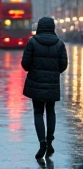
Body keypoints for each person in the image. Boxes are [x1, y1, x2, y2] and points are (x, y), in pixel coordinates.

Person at [21, 17, 68, 159]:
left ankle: (42, 143)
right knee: (51, 111)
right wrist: (53, 72)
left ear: (40, 27)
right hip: (52, 83)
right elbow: (63, 65)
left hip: (36, 82)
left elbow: (25, 64)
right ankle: (50, 142)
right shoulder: (60, 44)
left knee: (38, 112)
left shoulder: (32, 42)